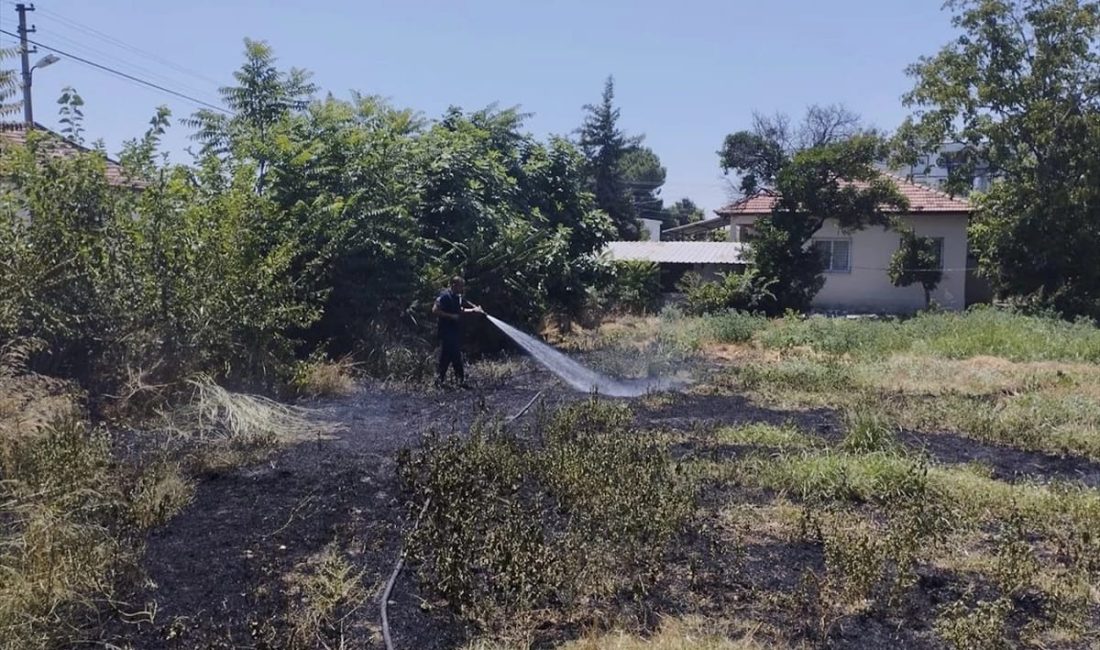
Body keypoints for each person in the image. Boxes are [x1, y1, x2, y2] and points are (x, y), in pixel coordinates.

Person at [432, 276, 483, 388]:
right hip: (446, 332)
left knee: (454, 356)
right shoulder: (445, 296)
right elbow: (435, 310)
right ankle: (443, 381)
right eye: (460, 286)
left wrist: (474, 310)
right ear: (454, 285)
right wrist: (451, 316)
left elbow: (460, 310)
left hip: (454, 332)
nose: (462, 288)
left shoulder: (457, 297)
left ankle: (454, 381)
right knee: (448, 357)